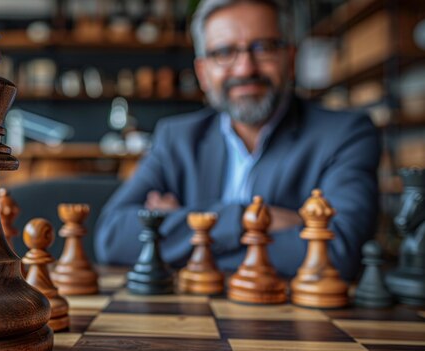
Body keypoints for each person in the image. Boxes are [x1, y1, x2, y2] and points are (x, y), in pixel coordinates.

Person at [94, 0, 380, 281]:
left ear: (290, 59)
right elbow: (113, 237)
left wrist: (182, 225)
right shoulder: (176, 137)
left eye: (264, 47)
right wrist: (247, 217)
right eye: (224, 52)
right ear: (203, 72)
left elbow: (339, 254)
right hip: (186, 320)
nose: (245, 68)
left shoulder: (346, 134)